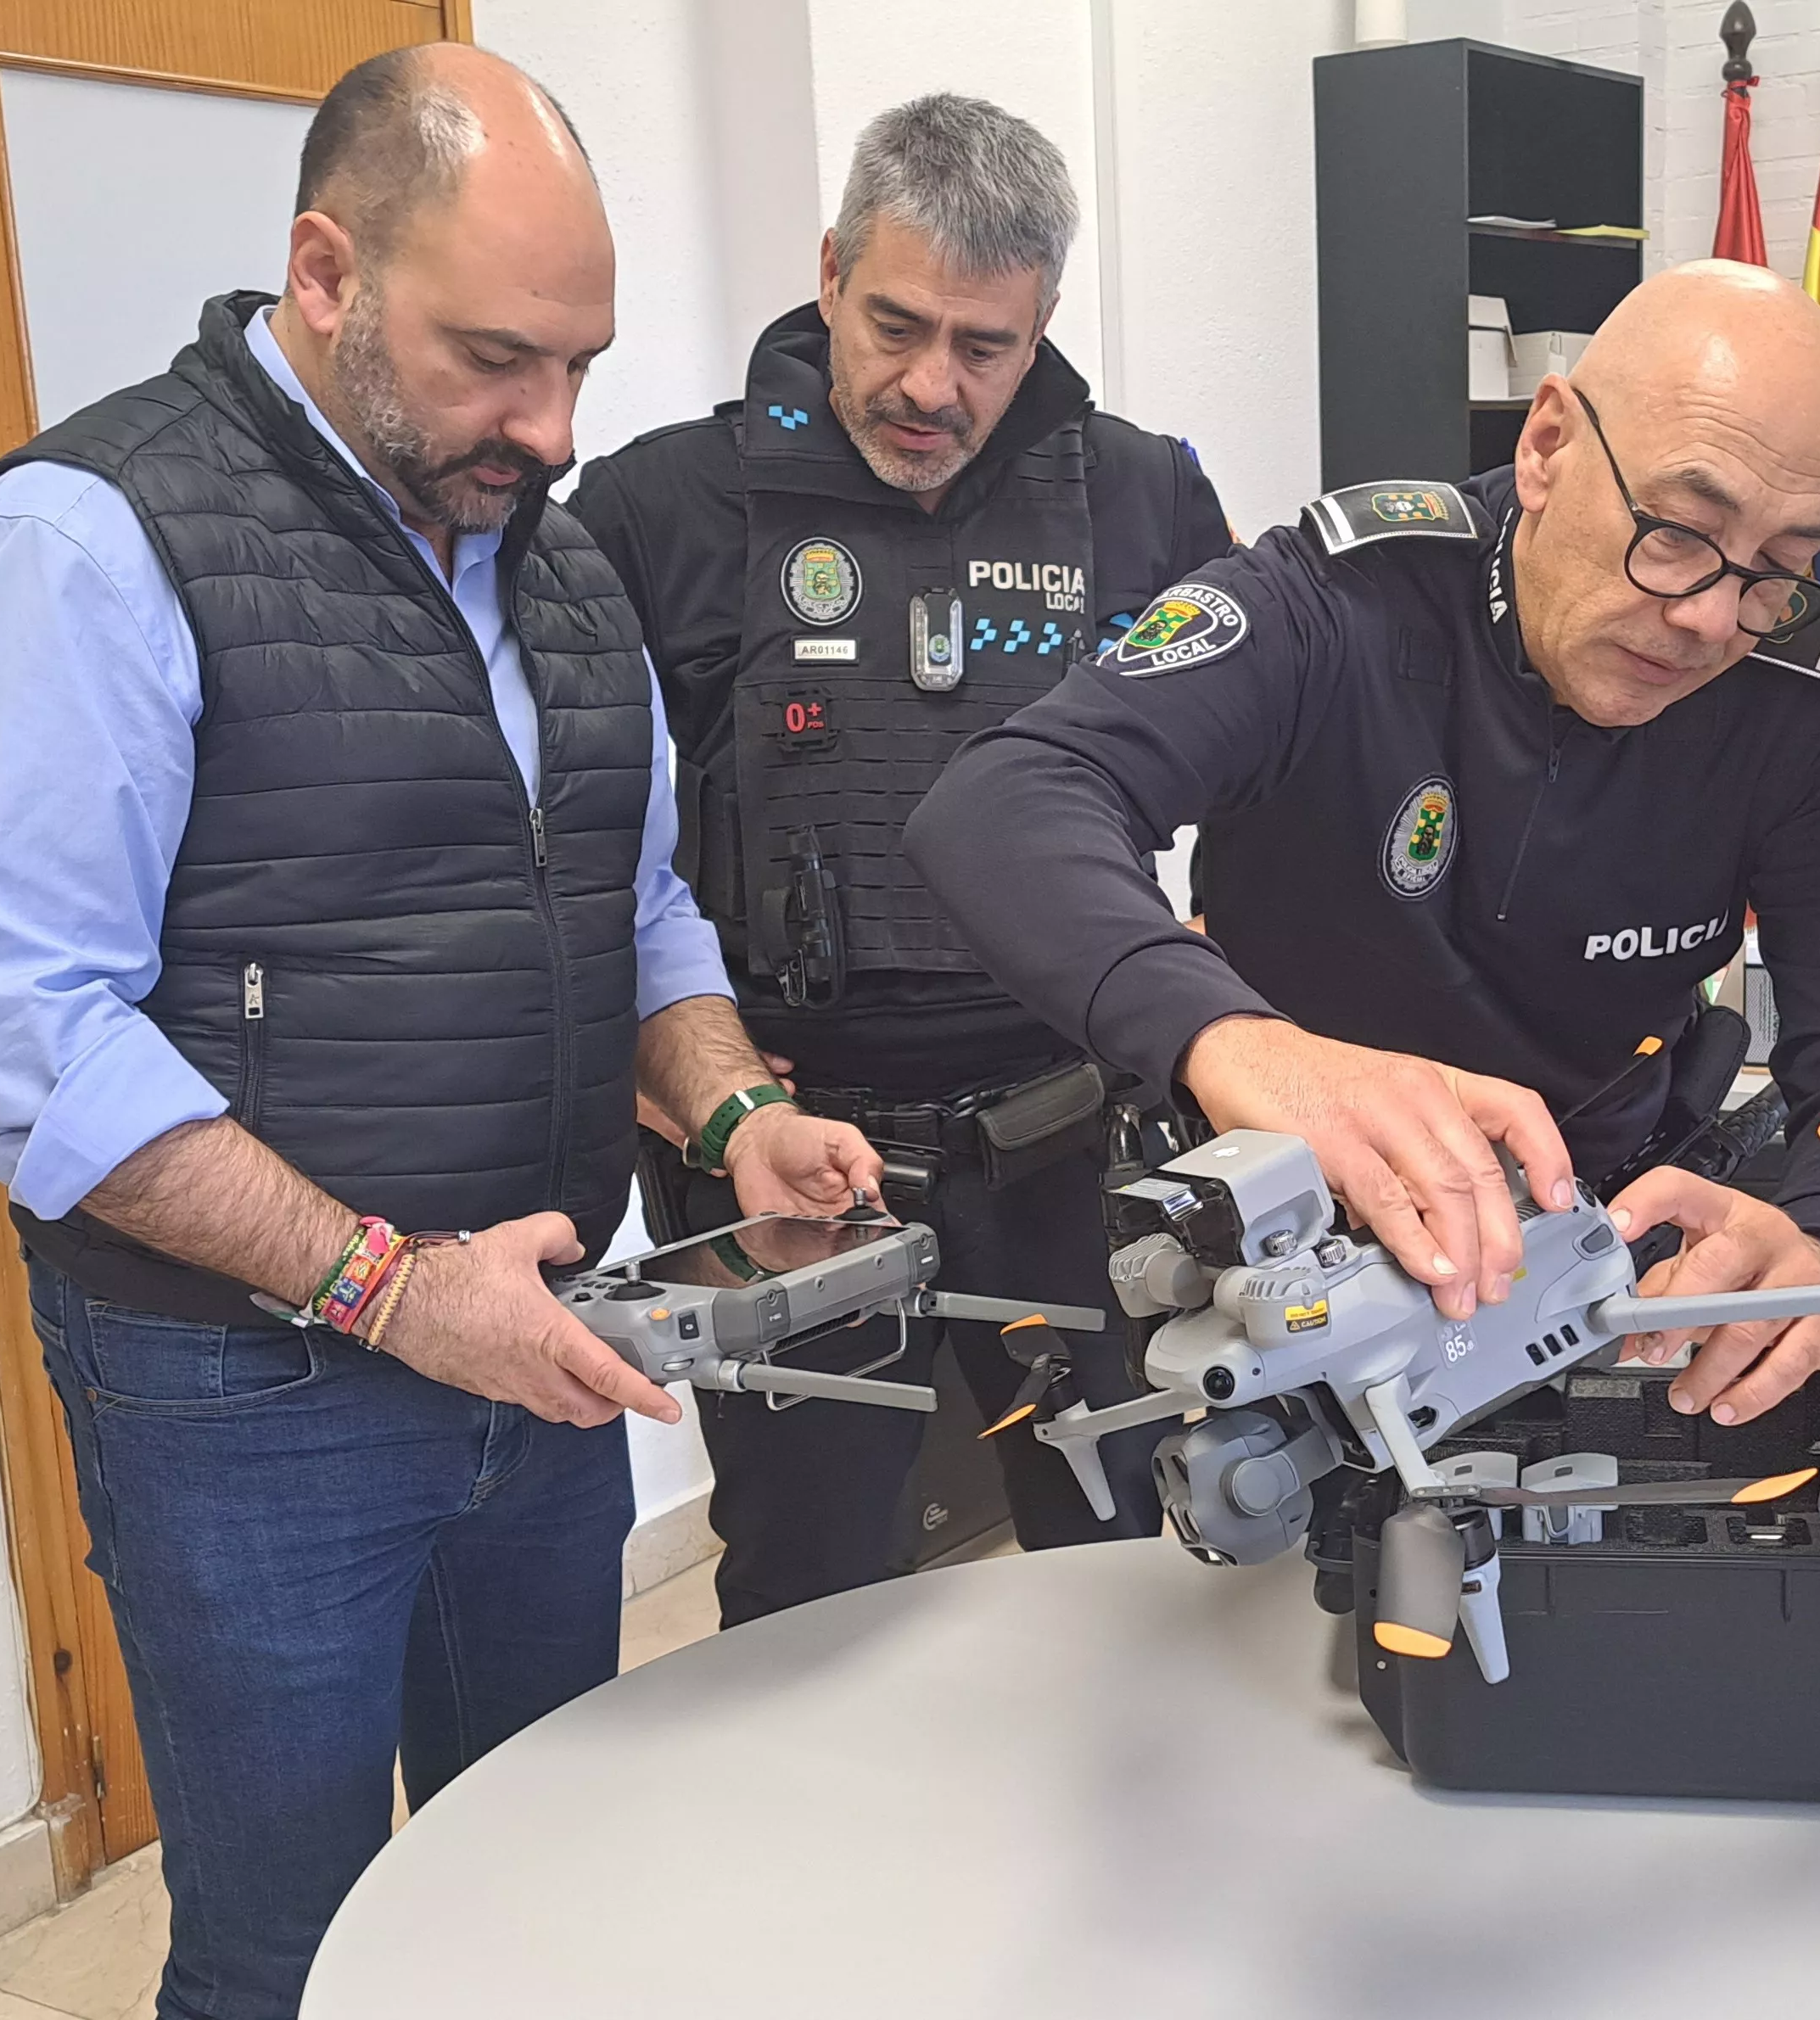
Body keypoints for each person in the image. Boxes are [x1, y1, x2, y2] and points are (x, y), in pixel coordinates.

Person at [0, 46, 879, 2020]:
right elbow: (12, 1031)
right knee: (289, 1946)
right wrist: (382, 1283)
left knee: (535, 1877)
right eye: (494, 359)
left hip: (533, 1347)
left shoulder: (564, 561)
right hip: (244, 1399)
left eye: (583, 368)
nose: (550, 423)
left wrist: (732, 1100)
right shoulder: (90, 540)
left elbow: (634, 905)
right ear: (326, 273)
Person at [909, 260, 1820, 1429]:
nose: (1712, 618)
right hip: (1284, 1262)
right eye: (1678, 533)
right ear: (1550, 444)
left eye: (1779, 569)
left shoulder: (1809, 695)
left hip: (1599, 1265)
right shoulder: (1340, 605)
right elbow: (1006, 799)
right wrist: (1240, 1043)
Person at [572, 94, 1233, 1620]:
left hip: (1076, 1152)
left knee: (1123, 1563)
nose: (931, 383)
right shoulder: (658, 508)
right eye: (896, 323)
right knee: (813, 1598)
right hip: (797, 1163)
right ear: (828, 274)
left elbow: (1254, 795)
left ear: (1045, 322)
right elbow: (579, 849)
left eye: (985, 346)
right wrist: (670, 1087)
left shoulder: (1141, 499)